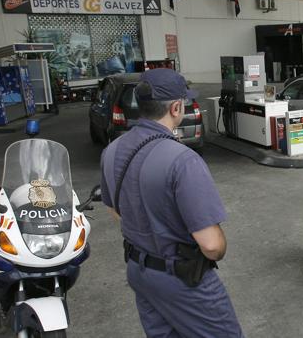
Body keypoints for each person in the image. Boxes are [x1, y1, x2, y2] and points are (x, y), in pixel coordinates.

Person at [100, 69, 243, 338]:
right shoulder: (183, 160)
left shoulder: (112, 150)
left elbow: (115, 211)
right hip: (181, 279)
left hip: (139, 272)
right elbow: (211, 246)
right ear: (176, 107)